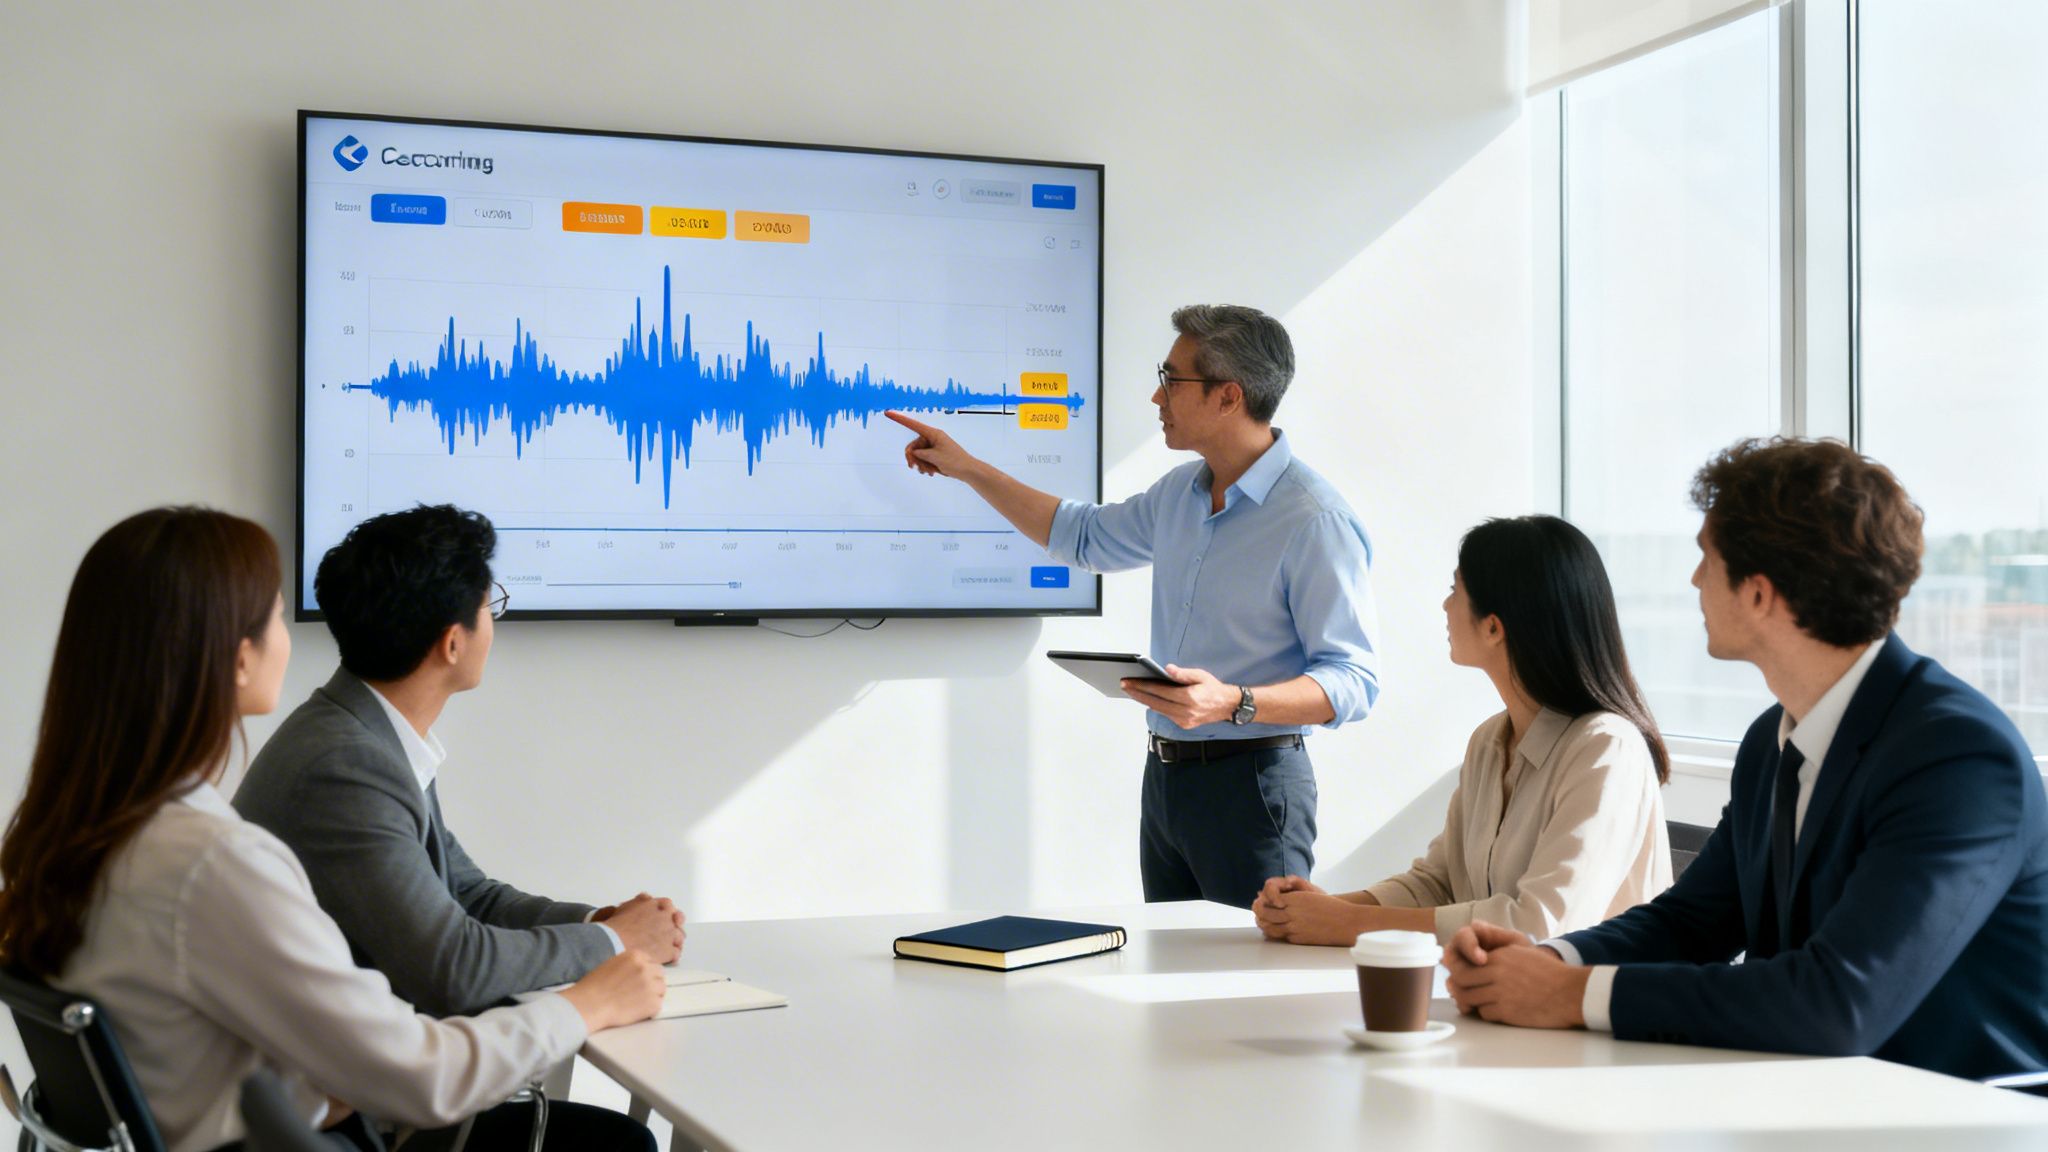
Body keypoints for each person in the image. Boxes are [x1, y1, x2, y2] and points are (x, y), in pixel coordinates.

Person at [0, 507, 665, 1152]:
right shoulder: (215, 860)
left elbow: (459, 896)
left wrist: (332, 1078)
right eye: (276, 612)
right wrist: (585, 1005)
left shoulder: (78, 832)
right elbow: (422, 1074)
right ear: (238, 659)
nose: (288, 636)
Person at [1443, 438, 2048, 1081]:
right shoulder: (1770, 742)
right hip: (1815, 1096)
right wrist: (1549, 960)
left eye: (1707, 557)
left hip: (1962, 1118)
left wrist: (1571, 996)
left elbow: (1839, 1001)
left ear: (1759, 594)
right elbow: (1693, 921)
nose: (1695, 579)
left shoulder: (1958, 758)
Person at [889, 305, 1379, 908]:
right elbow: (1084, 536)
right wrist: (966, 468)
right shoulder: (1181, 493)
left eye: (1172, 380)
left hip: (1253, 785)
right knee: (1169, 985)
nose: (1156, 395)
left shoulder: (1313, 520)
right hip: (1167, 782)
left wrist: (1234, 701)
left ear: (1229, 397)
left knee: (1247, 983)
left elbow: (1355, 680)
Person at [234, 505, 682, 1149]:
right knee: (621, 1145)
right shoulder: (347, 764)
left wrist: (596, 924)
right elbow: (452, 967)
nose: (492, 621)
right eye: (489, 604)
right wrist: (611, 944)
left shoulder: (363, 732)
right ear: (452, 642)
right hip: (355, 1122)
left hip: (347, 1092)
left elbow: (467, 892)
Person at [1253, 515, 1671, 946]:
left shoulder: (1607, 748)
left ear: (1494, 626)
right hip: (1499, 999)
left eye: (1455, 589)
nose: (1446, 605)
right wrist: (1327, 909)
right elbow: (1438, 884)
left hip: (1589, 1007)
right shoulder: (1490, 741)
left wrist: (1348, 924)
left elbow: (1541, 924)